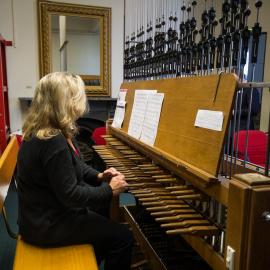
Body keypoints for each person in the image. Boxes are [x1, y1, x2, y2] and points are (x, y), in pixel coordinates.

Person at [16, 72, 134, 270]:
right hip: (47, 226)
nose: (82, 103)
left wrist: (97, 176)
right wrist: (109, 190)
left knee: (102, 222)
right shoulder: (53, 141)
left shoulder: (46, 130)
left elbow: (76, 163)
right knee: (123, 238)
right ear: (65, 102)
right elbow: (70, 196)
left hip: (37, 218)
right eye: (78, 97)